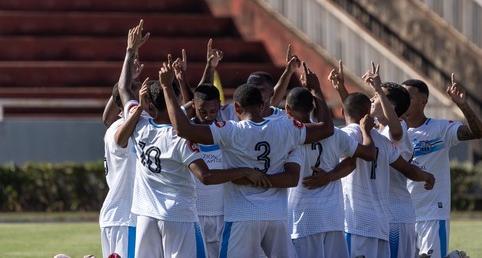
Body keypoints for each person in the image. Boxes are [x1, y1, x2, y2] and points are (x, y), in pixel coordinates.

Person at [118, 21, 270, 258]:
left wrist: (130, 51)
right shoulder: (182, 138)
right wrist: (244, 171)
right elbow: (206, 176)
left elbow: (123, 88)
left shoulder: (140, 126)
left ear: (148, 104)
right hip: (180, 216)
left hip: (146, 213)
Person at [159, 57, 334, 257]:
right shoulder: (287, 127)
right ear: (262, 105)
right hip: (276, 217)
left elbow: (183, 128)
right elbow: (327, 129)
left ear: (237, 108)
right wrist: (316, 90)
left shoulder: (231, 131)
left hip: (242, 216)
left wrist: (166, 87)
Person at [338, 92, 435, 258]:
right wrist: (428, 176)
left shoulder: (345, 135)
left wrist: (326, 176)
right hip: (381, 224)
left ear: (341, 112)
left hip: (356, 223)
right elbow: (409, 170)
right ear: (368, 113)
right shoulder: (384, 142)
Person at [285, 86, 376, 258]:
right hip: (332, 217)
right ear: (311, 108)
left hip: (303, 220)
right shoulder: (333, 134)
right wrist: (329, 177)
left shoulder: (287, 134)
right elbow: (361, 157)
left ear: (287, 108)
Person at [402, 76, 482, 258]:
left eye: (408, 96)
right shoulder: (392, 133)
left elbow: (478, 132)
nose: (403, 100)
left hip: (432, 213)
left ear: (423, 101)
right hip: (401, 216)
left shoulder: (439, 129)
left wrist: (463, 105)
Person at [99, 20, 149, 258]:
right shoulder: (124, 129)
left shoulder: (116, 124)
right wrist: (129, 52)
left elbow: (109, 112)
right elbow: (122, 94)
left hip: (118, 216)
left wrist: (129, 70)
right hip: (125, 218)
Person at [217, 44, 301, 121]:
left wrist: (289, 71)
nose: (255, 92)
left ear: (271, 93)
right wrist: (210, 67)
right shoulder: (232, 111)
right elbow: (205, 103)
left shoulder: (283, 118)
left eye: (261, 89)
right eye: (251, 88)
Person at [190, 83, 226, 258]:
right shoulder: (186, 132)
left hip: (223, 212)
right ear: (194, 106)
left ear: (219, 105)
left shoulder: (228, 130)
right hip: (195, 214)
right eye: (202, 111)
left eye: (213, 111)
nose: (208, 116)